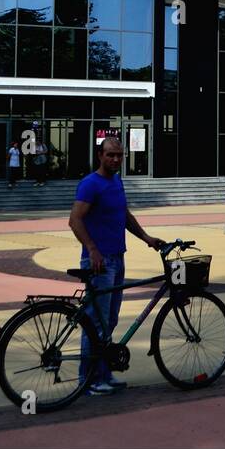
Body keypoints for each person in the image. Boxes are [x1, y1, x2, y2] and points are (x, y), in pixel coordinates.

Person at [67, 137, 165, 396]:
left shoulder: (116, 182)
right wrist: (92, 249)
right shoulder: (90, 184)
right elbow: (75, 220)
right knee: (95, 323)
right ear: (100, 155)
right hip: (100, 262)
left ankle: (103, 374)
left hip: (117, 258)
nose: (116, 159)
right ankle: (88, 380)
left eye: (120, 155)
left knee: (109, 320)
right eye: (111, 155)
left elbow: (123, 216)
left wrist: (146, 238)